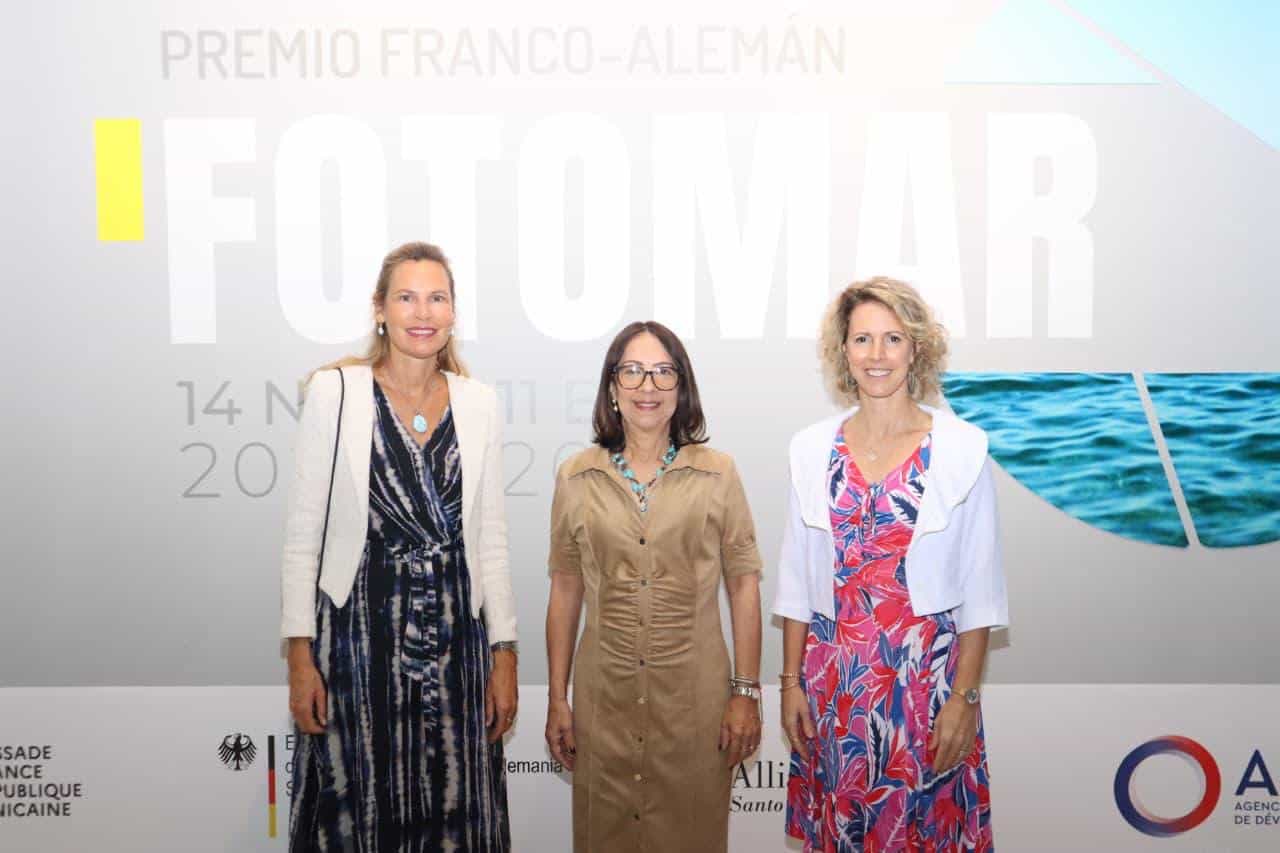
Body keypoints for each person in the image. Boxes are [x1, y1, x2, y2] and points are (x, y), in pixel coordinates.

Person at [280, 241, 517, 852]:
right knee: (356, 811)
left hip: (456, 648)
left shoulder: (479, 403)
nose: (423, 312)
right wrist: (300, 656)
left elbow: (490, 540)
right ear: (379, 309)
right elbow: (303, 538)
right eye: (407, 297)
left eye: (437, 297)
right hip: (358, 641)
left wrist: (505, 653)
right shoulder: (336, 392)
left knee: (456, 810)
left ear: (453, 312)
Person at [775, 277, 1007, 851]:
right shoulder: (810, 450)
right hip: (835, 688)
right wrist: (789, 684)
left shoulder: (961, 448)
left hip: (925, 687)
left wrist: (964, 698)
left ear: (916, 349)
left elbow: (980, 589)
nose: (876, 355)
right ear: (843, 351)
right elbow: (797, 578)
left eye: (892, 339)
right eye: (862, 340)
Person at [543, 321, 764, 853]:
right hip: (605, 703)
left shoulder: (718, 473)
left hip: (695, 705)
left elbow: (744, 586)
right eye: (633, 372)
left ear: (681, 387)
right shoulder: (576, 477)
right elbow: (566, 591)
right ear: (612, 387)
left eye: (664, 372)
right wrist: (557, 697)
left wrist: (746, 692)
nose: (648, 386)